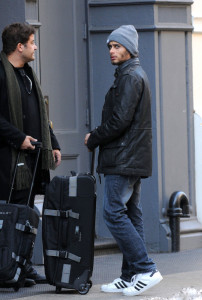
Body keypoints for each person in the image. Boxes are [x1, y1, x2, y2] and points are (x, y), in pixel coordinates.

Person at [84, 25, 163, 296]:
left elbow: (120, 120)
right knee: (131, 213)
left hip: (124, 157)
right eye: (109, 46)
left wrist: (94, 136)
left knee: (113, 212)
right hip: (129, 156)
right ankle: (130, 274)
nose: (111, 51)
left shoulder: (131, 77)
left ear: (129, 48)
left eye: (117, 46)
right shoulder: (129, 74)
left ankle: (145, 268)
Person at [0, 23, 61, 286]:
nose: (36, 46)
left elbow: (42, 114)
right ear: (19, 46)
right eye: (32, 42)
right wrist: (18, 138)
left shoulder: (28, 74)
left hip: (34, 160)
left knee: (27, 216)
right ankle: (7, 268)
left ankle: (22, 266)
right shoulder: (2, 74)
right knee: (11, 217)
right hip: (9, 161)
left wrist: (54, 143)